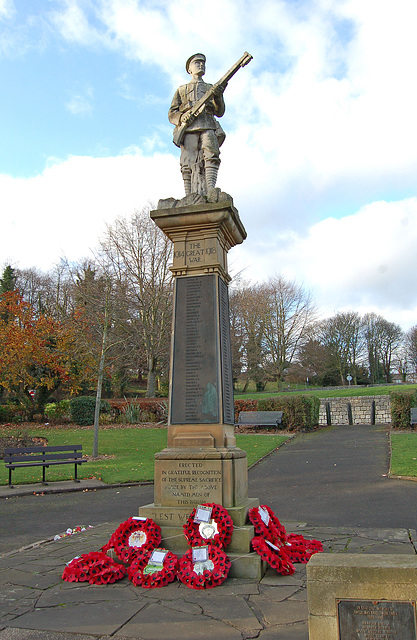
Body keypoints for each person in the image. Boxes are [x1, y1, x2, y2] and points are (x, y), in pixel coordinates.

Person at [168, 53, 226, 196]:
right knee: (187, 160)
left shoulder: (210, 88)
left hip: (207, 124)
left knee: (211, 154)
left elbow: (220, 111)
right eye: (196, 63)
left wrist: (218, 96)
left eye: (202, 63)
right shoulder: (182, 90)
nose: (200, 65)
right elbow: (172, 113)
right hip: (189, 128)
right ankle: (189, 195)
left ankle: (211, 190)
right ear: (189, 69)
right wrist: (182, 117)